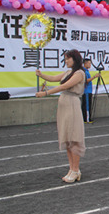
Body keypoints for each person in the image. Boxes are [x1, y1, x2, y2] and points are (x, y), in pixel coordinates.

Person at [35, 49, 86, 183]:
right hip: (64, 105)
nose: (66, 61)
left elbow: (64, 86)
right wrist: (41, 75)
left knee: (74, 138)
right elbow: (53, 78)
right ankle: (72, 168)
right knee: (67, 138)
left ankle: (75, 170)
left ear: (75, 59)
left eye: (68, 59)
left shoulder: (80, 73)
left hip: (72, 105)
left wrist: (46, 93)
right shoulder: (68, 72)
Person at [81, 58, 100, 123]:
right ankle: (87, 119)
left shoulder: (86, 71)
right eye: (89, 63)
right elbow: (86, 81)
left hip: (88, 91)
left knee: (87, 104)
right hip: (86, 91)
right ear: (85, 63)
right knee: (87, 105)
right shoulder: (84, 71)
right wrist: (94, 76)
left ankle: (86, 118)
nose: (90, 64)